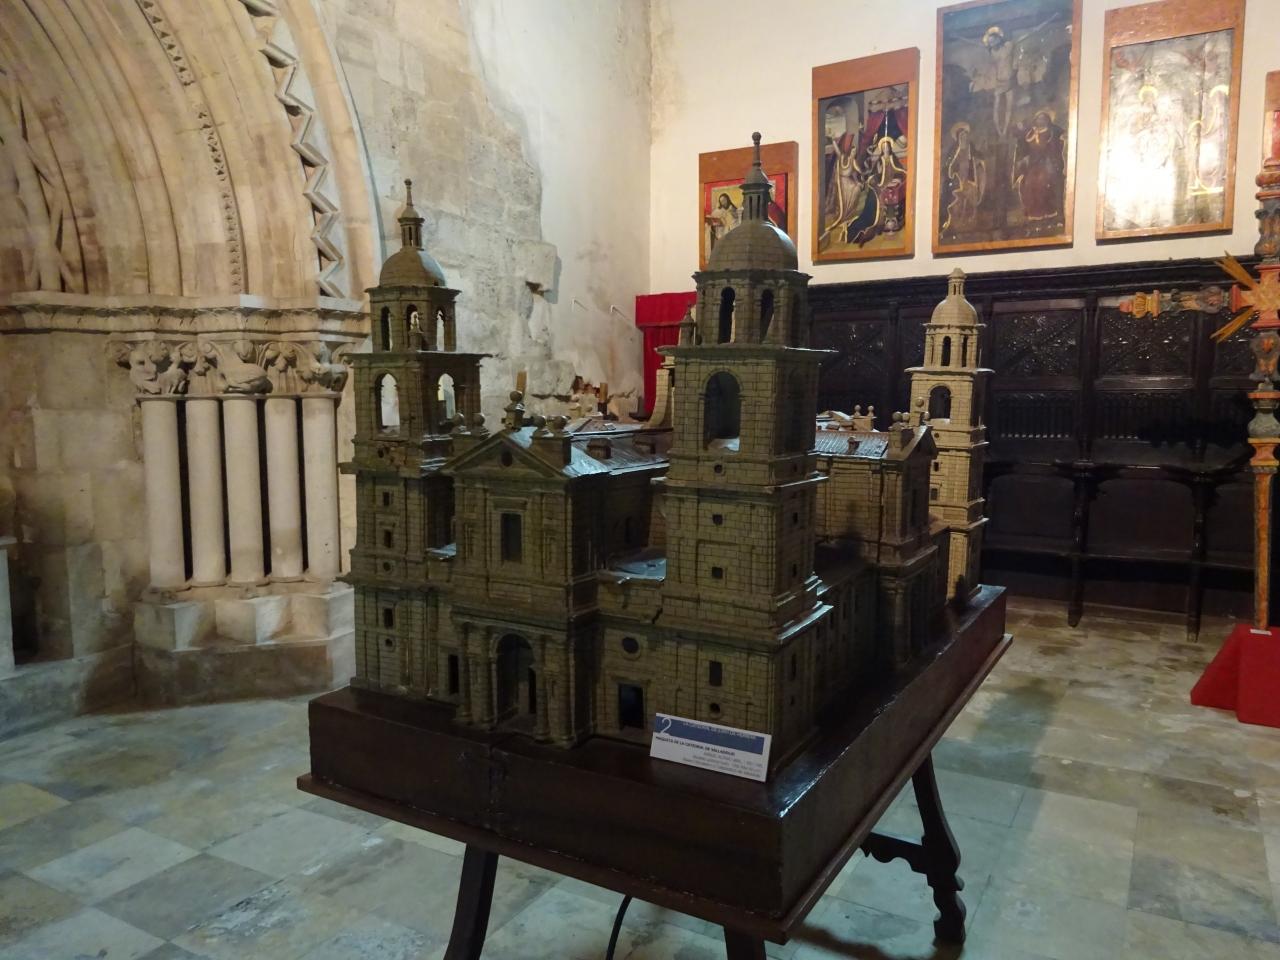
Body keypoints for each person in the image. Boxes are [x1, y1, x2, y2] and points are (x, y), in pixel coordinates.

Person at [1013, 109, 1065, 223]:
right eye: (1039, 119)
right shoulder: (1030, 133)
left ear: (1048, 120)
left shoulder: (1051, 133)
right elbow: (1023, 147)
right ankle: (1033, 213)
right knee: (1027, 183)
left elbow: (1055, 149)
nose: (1041, 121)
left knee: (1042, 182)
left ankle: (1047, 213)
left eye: (1043, 119)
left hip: (1046, 163)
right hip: (1032, 165)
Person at [943, 123, 985, 235]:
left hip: (971, 179)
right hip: (959, 180)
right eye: (962, 136)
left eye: (965, 135)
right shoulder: (954, 149)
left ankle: (972, 223)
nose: (964, 138)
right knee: (959, 202)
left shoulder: (971, 147)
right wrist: (952, 171)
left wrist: (978, 161)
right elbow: (950, 165)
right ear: (958, 137)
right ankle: (958, 223)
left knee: (972, 200)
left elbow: (978, 156)